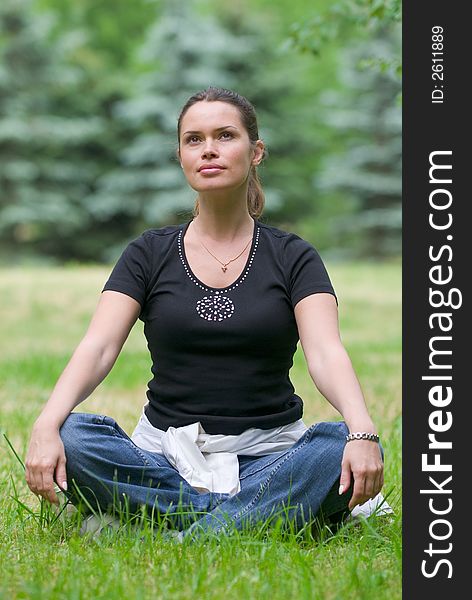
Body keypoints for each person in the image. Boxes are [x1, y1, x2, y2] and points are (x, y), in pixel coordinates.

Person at [25, 86, 385, 539]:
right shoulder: (148, 253)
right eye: (193, 139)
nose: (209, 149)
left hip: (270, 457)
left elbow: (325, 353)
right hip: (165, 459)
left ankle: (172, 530)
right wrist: (46, 423)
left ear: (255, 152)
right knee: (74, 437)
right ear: (180, 155)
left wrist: (362, 430)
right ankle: (249, 519)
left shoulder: (294, 256)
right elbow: (99, 347)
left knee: (335, 448)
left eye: (225, 135)